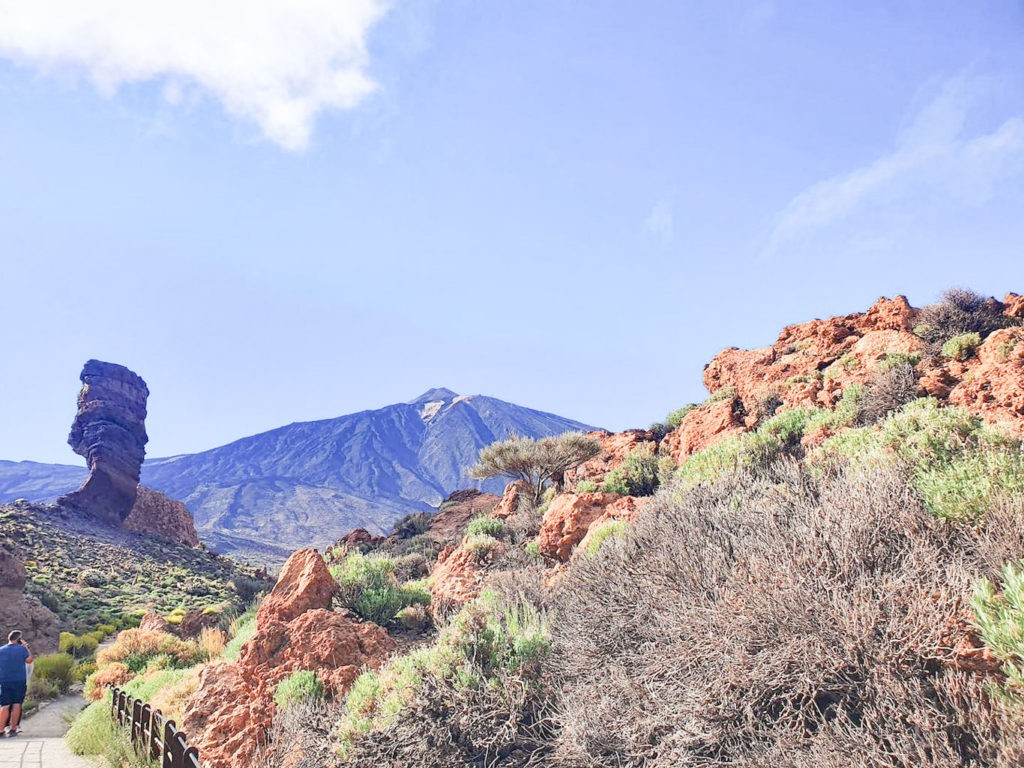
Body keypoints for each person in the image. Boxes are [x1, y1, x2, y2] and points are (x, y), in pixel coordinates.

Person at [0, 631, 34, 738]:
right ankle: (13, 729)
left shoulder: (1, 650)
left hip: (4, 681)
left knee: (4, 705)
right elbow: (29, 660)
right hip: (19, 681)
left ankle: (1, 730)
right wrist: (27, 647)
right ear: (19, 639)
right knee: (16, 704)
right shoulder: (22, 650)